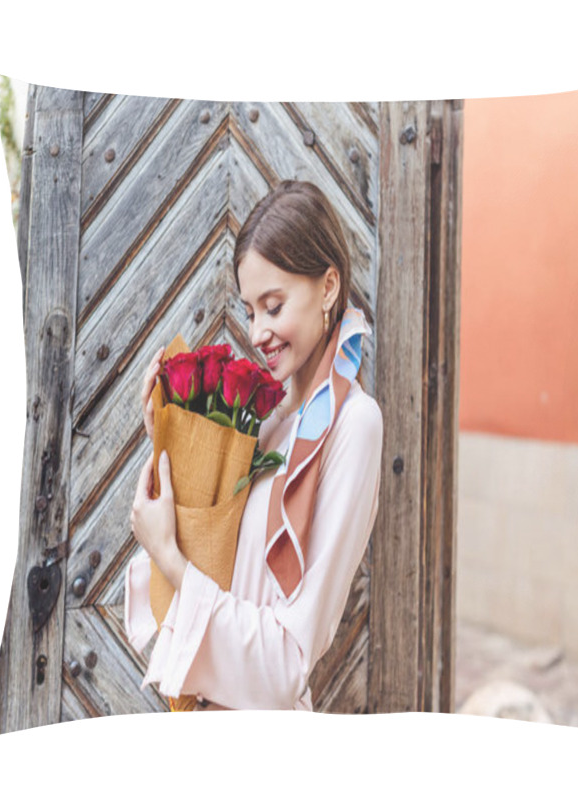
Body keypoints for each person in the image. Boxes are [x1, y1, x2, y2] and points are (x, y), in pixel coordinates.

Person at [124, 180, 383, 711]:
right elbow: (225, 568)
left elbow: (288, 661)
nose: (258, 330)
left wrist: (169, 557)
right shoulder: (268, 424)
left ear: (329, 287)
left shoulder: (353, 426)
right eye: (249, 310)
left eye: (274, 305)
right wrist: (166, 439)